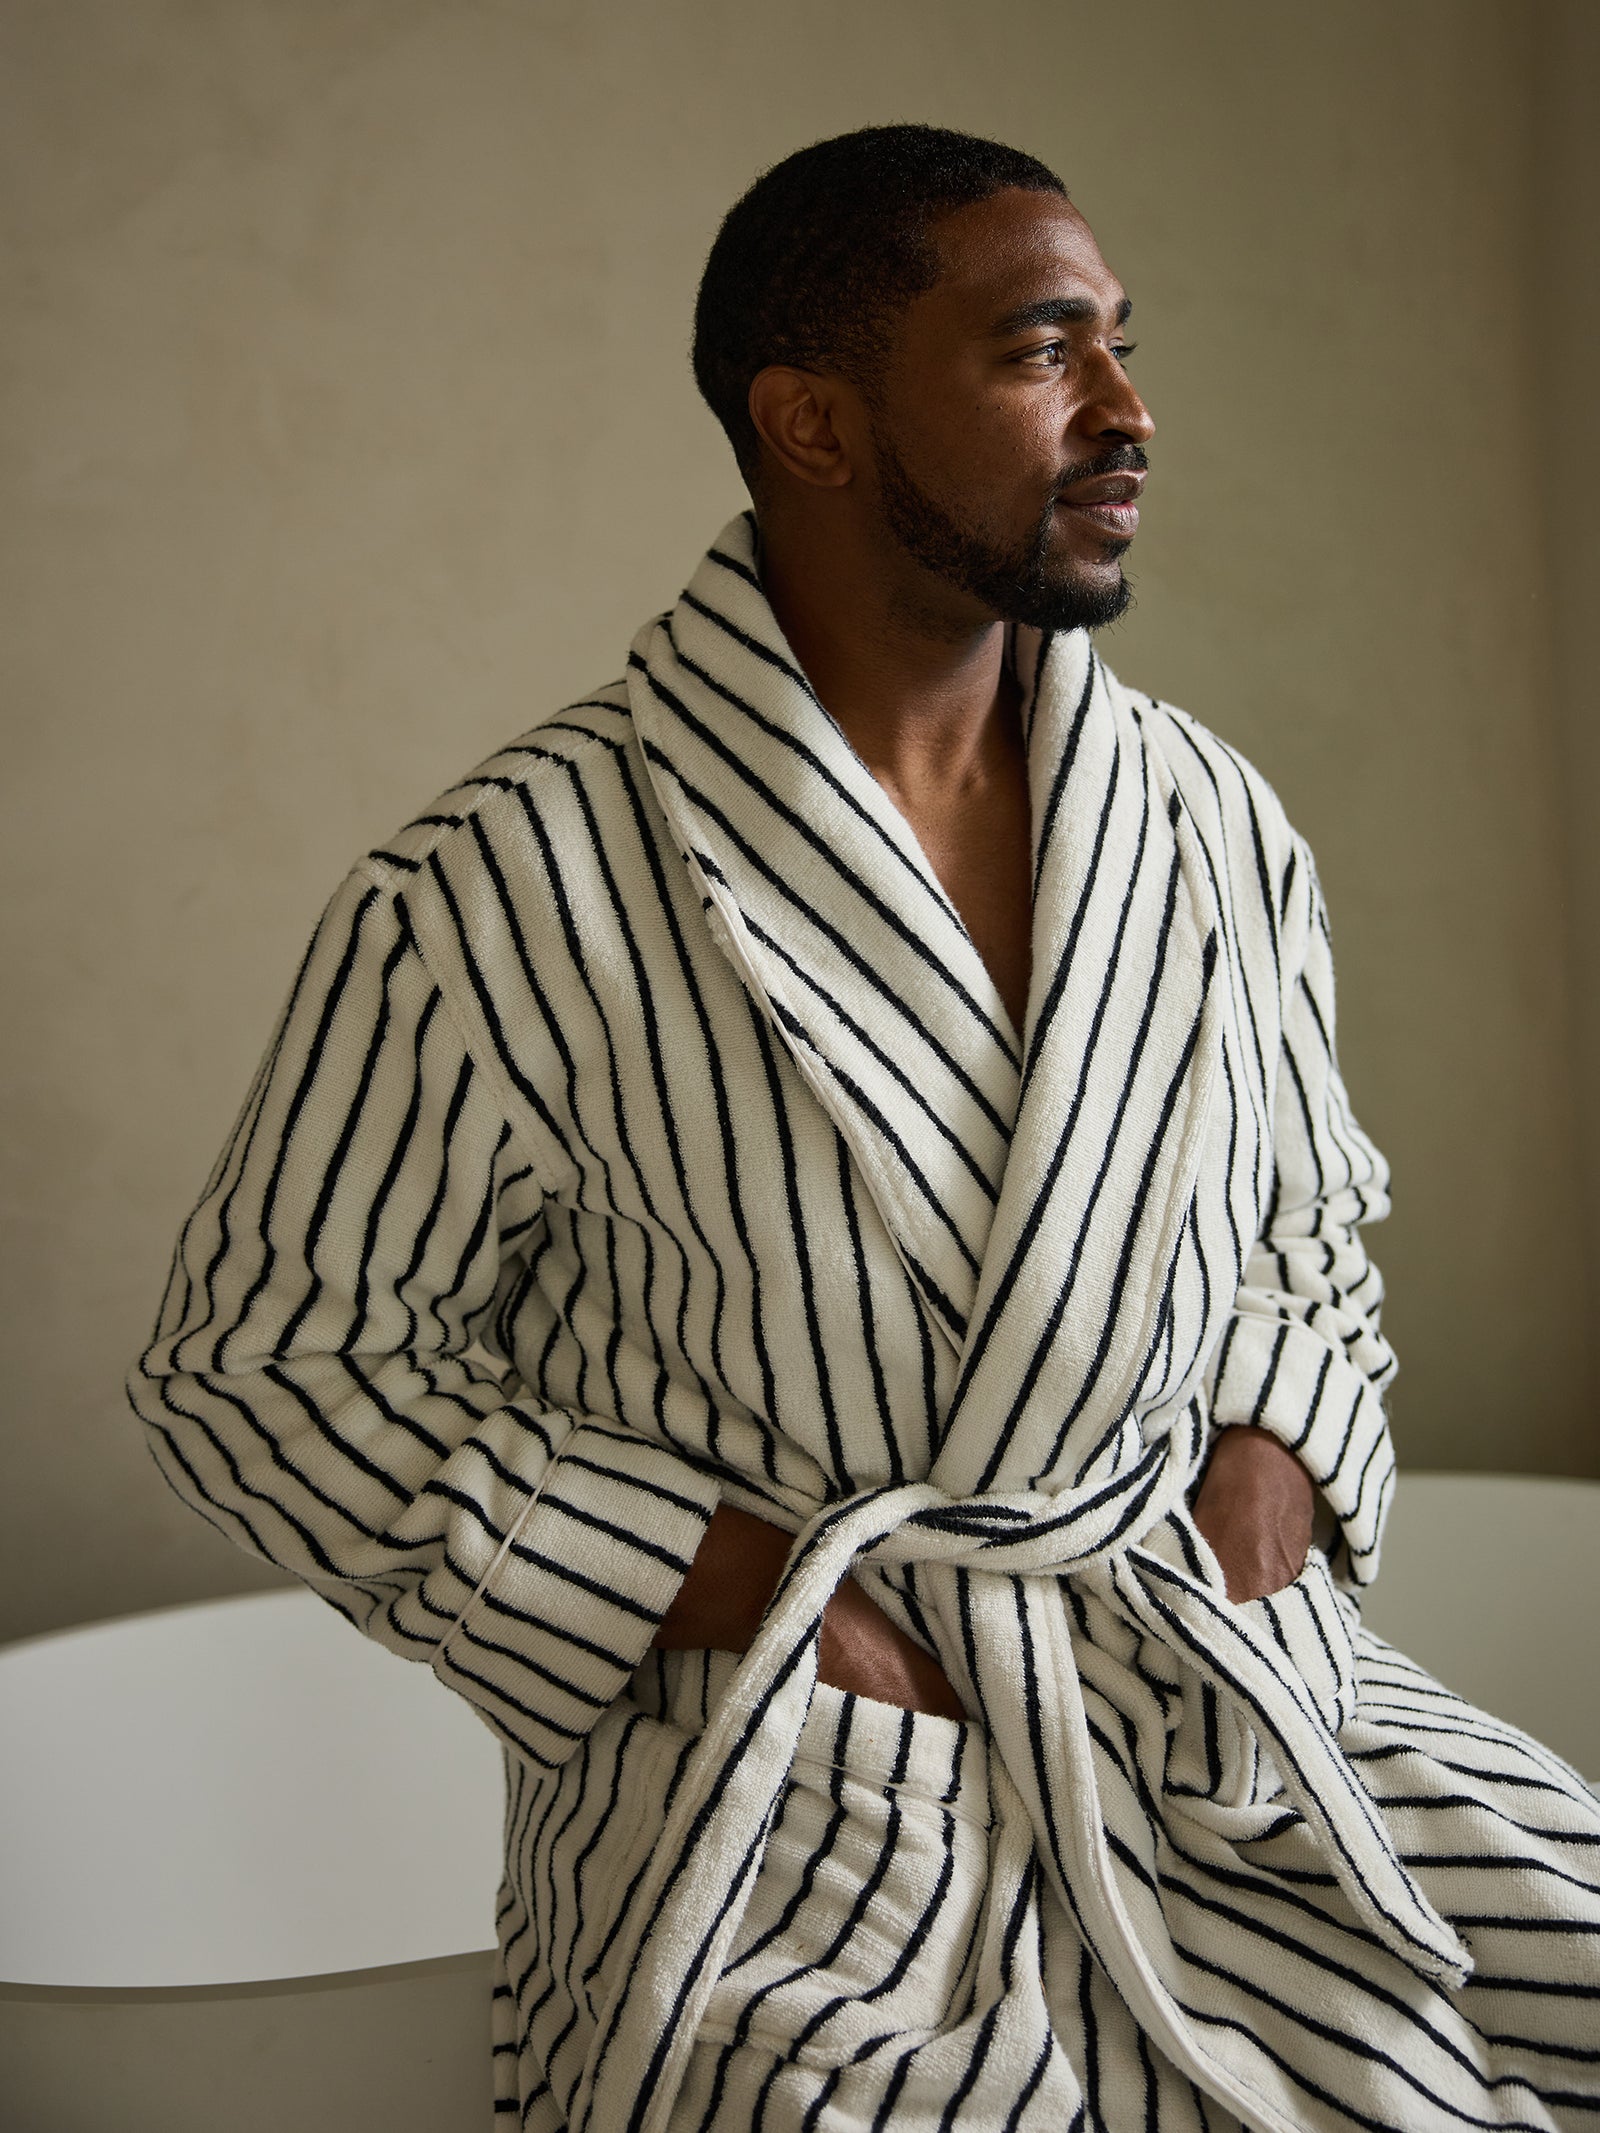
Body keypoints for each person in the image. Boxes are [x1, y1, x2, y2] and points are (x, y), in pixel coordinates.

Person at [129, 124, 1600, 2131]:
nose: (1125, 411)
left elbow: (1303, 1230)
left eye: (1119, 344)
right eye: (1036, 351)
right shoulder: (508, 884)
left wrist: (1270, 1454)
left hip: (1219, 1702)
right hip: (809, 1787)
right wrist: (736, 1580)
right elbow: (265, 1369)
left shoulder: (1199, 818)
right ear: (810, 422)